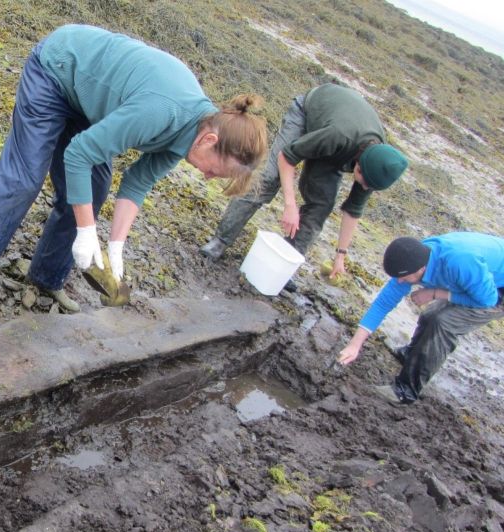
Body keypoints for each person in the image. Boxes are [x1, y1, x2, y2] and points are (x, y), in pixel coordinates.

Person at [0, 24, 269, 324]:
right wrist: (86, 231)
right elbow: (79, 154)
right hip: (56, 70)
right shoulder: (162, 111)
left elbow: (138, 183)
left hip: (88, 100)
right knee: (22, 181)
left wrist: (116, 247)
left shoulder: (191, 135)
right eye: (216, 171)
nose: (209, 177)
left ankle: (45, 277)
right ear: (210, 141)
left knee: (94, 188)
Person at [200, 83, 408, 279]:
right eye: (363, 182)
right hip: (308, 114)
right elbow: (287, 157)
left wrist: (340, 257)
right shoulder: (338, 136)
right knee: (268, 180)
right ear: (359, 165)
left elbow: (353, 210)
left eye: (368, 187)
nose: (364, 188)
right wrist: (290, 205)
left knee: (322, 205)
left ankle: (282, 263)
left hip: (335, 148)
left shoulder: (378, 166)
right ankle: (220, 241)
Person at [337, 233, 504, 405]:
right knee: (430, 315)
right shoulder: (412, 257)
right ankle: (412, 355)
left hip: (496, 291)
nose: (400, 281)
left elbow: (488, 301)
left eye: (404, 277)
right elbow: (383, 303)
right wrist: (354, 345)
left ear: (421, 269)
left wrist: (435, 293)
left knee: (443, 323)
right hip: (480, 276)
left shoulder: (460, 262)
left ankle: (406, 390)